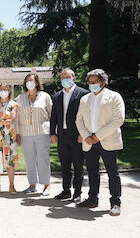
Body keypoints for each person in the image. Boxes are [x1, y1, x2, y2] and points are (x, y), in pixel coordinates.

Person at [75, 69, 125, 216]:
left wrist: (97, 136)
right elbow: (79, 120)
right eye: (90, 82)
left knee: (112, 172)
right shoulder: (85, 99)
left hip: (107, 140)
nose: (92, 85)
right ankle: (92, 198)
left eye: (95, 82)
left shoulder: (114, 97)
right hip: (89, 141)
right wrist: (86, 136)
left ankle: (115, 202)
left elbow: (118, 119)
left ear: (103, 82)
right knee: (92, 171)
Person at [50, 68, 88, 202]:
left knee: (78, 165)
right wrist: (52, 133)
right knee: (64, 165)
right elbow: (53, 116)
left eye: (67, 77)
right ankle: (66, 190)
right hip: (62, 135)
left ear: (74, 78)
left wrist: (84, 134)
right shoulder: (57, 96)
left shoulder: (83, 94)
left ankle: (77, 193)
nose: (65, 80)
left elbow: (86, 117)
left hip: (77, 135)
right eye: (62, 78)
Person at [15, 73, 53, 196]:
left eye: (31, 80)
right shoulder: (20, 98)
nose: (29, 83)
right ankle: (32, 184)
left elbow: (52, 114)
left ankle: (46, 185)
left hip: (42, 132)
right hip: (25, 133)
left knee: (43, 159)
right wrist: (17, 133)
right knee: (29, 159)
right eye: (27, 81)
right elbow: (16, 117)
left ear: (37, 82)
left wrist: (53, 132)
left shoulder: (45, 96)